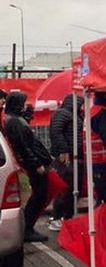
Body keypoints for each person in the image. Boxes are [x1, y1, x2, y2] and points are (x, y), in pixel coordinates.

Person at [4, 92, 51, 242]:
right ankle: (27, 228)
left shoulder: (16, 121)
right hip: (33, 164)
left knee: (40, 195)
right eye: (23, 103)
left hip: (34, 162)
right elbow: (23, 147)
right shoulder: (14, 123)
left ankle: (27, 227)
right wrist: (36, 164)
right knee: (39, 195)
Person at [48, 93, 84, 231]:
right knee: (65, 187)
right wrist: (63, 150)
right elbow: (56, 131)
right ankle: (57, 217)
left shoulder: (74, 115)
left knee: (74, 188)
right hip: (67, 157)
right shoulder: (63, 114)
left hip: (75, 156)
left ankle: (67, 217)